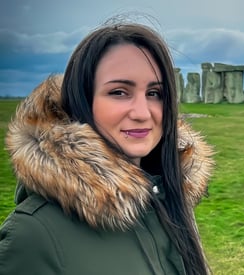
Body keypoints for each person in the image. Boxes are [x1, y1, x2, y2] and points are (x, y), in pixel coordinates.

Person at [0, 20, 214, 275]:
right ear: (83, 100)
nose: (142, 113)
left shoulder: (169, 199)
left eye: (154, 93)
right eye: (119, 92)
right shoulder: (33, 235)